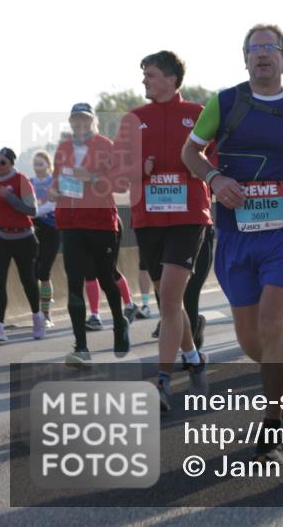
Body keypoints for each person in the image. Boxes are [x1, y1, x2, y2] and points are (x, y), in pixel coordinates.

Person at [182, 24, 283, 463]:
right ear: (245, 58)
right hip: (235, 231)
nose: (262, 55)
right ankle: (281, 373)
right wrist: (215, 177)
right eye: (254, 49)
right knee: (251, 338)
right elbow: (189, 153)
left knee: (273, 322)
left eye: (270, 48)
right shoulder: (225, 102)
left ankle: (271, 425)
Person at [114, 50, 215, 410]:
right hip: (148, 221)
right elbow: (117, 173)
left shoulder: (198, 115)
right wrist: (142, 168)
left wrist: (198, 168)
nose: (144, 81)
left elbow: (217, 163)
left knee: (171, 299)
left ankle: (161, 381)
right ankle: (194, 357)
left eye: (151, 75)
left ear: (172, 78)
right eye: (143, 75)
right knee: (167, 303)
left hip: (189, 219)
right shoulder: (133, 120)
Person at [50, 104, 130, 364]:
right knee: (75, 282)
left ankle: (119, 323)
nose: (80, 124)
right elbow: (57, 181)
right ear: (71, 122)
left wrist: (92, 177)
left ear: (93, 121)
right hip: (70, 224)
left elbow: (121, 183)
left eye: (85, 119)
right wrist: (54, 191)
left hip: (101, 223)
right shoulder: (63, 149)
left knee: (107, 279)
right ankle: (81, 347)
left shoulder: (106, 146)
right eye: (75, 119)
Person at [0, 147, 44, 341]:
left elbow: (32, 210)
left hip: (24, 238)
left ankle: (37, 315)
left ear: (11, 164)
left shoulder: (21, 180)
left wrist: (10, 197)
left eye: (2, 162)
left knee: (28, 280)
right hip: (0, 237)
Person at [30, 150, 59, 328]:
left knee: (44, 271)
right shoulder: (30, 183)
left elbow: (52, 205)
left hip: (51, 230)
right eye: (35, 164)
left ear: (48, 165)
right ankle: (39, 311)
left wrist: (33, 211)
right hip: (34, 231)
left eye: (40, 164)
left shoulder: (53, 183)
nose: (37, 167)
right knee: (33, 272)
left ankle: (46, 315)